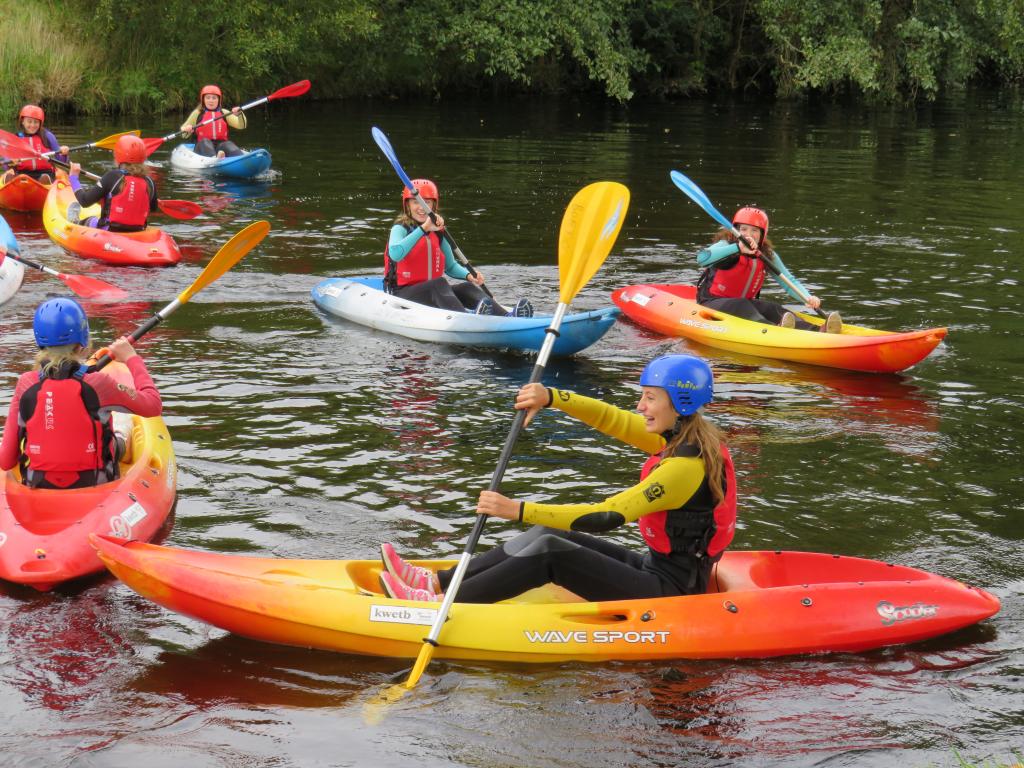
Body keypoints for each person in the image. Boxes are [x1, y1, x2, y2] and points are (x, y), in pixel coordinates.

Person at [378, 353, 736, 603]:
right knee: (550, 533)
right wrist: (552, 397)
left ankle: (437, 604)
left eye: (650, 398)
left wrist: (516, 509)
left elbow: (605, 516)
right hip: (657, 566)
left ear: (680, 404)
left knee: (551, 554)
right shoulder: (684, 436)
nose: (640, 406)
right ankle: (439, 581)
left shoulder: (685, 467)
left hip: (672, 589)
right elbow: (612, 419)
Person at [0, 298, 162, 489]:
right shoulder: (99, 384)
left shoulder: (25, 383)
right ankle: (122, 437)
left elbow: (6, 461)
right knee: (121, 422)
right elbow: (153, 405)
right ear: (82, 342)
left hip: (38, 484)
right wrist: (132, 358)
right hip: (95, 483)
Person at [384, 178, 533, 317]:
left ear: (434, 205)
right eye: (416, 202)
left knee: (465, 287)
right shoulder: (401, 229)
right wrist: (424, 228)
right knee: (439, 283)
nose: (421, 207)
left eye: (427, 202)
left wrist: (469, 276)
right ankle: (466, 319)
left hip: (430, 291)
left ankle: (507, 316)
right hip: (402, 294)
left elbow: (451, 267)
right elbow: (395, 254)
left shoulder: (438, 233)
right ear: (407, 205)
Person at [695, 206, 842, 333]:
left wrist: (807, 297)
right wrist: (737, 248)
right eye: (743, 229)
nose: (748, 234)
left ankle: (818, 330)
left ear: (762, 234)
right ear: (736, 230)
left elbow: (787, 280)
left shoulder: (766, 254)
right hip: (712, 300)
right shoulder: (727, 244)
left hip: (743, 302)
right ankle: (775, 330)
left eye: (754, 230)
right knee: (742, 305)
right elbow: (702, 258)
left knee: (772, 308)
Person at [68, 135, 157, 232]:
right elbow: (153, 208)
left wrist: (73, 177)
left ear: (118, 156)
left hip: (110, 230)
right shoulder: (150, 182)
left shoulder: (112, 176)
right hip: (137, 230)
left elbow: (84, 201)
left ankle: (74, 222)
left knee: (90, 220)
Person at [1, 105, 69, 185]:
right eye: (29, 122)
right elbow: (5, 164)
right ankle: (11, 183)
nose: (32, 125)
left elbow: (61, 161)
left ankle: (44, 184)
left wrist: (64, 154)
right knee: (12, 176)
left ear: (40, 123)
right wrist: (10, 163)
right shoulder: (16, 139)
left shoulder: (48, 136)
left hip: (45, 173)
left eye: (36, 122)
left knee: (44, 177)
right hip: (22, 174)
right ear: (23, 121)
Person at [180, 85, 246, 158]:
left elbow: (241, 126)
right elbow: (183, 134)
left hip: (220, 146)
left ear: (218, 100)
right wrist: (187, 129)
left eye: (214, 98)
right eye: (208, 98)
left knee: (228, 144)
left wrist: (240, 114)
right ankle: (214, 159)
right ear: (203, 100)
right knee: (205, 142)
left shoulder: (224, 113)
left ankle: (241, 158)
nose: (211, 100)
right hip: (201, 147)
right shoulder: (197, 113)